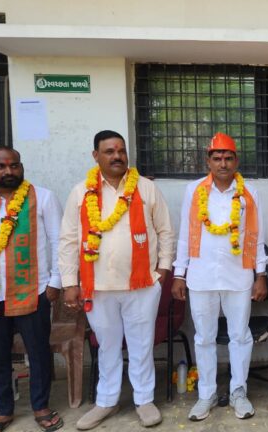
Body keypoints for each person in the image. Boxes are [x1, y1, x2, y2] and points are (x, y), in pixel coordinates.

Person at [59, 130, 175, 430]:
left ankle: (144, 399)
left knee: (141, 345)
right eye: (109, 151)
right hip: (97, 287)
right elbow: (69, 240)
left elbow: (165, 231)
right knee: (107, 346)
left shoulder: (146, 188)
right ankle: (106, 401)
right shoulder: (80, 192)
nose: (117, 156)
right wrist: (69, 282)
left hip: (142, 285)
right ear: (96, 156)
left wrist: (162, 270)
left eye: (121, 150)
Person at [172, 132, 268, 421]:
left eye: (228, 157)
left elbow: (257, 235)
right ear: (208, 160)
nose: (223, 163)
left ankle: (239, 392)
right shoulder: (193, 191)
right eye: (217, 158)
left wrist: (260, 274)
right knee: (203, 337)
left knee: (240, 336)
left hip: (238, 275)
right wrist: (179, 273)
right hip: (201, 276)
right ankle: (206, 394)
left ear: (236, 160)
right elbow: (184, 235)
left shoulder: (250, 192)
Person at [0, 147, 63, 432]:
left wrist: (55, 282)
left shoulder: (42, 197)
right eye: (1, 166)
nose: (9, 171)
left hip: (34, 290)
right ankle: (3, 410)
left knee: (39, 352)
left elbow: (58, 241)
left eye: (14, 165)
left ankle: (40, 406)